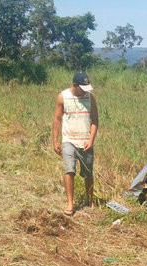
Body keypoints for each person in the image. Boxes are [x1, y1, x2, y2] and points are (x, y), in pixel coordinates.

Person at [53, 72, 99, 216]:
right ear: (74, 85)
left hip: (85, 141)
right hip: (68, 140)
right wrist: (55, 140)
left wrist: (91, 140)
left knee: (88, 173)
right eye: (82, 88)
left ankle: (90, 200)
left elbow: (95, 121)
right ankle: (70, 204)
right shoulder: (63, 97)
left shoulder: (90, 98)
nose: (86, 91)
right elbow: (57, 119)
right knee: (69, 170)